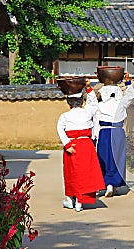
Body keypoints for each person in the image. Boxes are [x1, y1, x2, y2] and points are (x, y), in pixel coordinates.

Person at [56, 80, 105, 211]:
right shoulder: (87, 112)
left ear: (69, 103)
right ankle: (79, 201)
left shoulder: (65, 116)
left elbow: (60, 130)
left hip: (72, 145)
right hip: (86, 145)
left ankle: (72, 199)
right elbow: (94, 103)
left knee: (72, 173)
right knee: (84, 174)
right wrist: (88, 88)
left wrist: (67, 145)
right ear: (81, 102)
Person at [93, 72, 134, 197]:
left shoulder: (99, 105)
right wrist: (127, 81)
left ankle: (106, 184)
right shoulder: (121, 103)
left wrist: (94, 137)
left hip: (104, 132)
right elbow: (130, 96)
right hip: (118, 133)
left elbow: (95, 121)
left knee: (104, 158)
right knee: (117, 158)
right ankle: (113, 184)